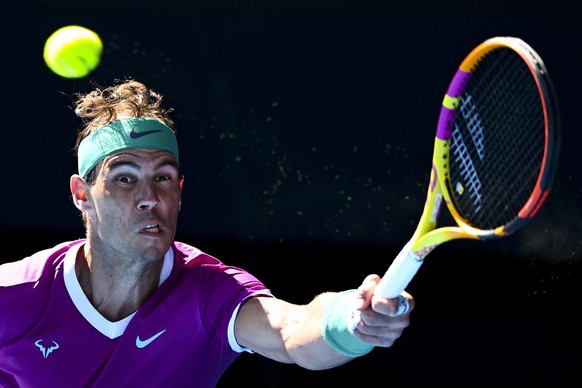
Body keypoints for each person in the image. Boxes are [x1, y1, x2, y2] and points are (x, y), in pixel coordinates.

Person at [0, 79, 414, 387]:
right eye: (125, 179)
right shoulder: (17, 296)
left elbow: (291, 330)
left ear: (179, 194)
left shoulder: (208, 293)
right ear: (82, 195)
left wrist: (353, 320)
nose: (149, 197)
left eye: (163, 177)